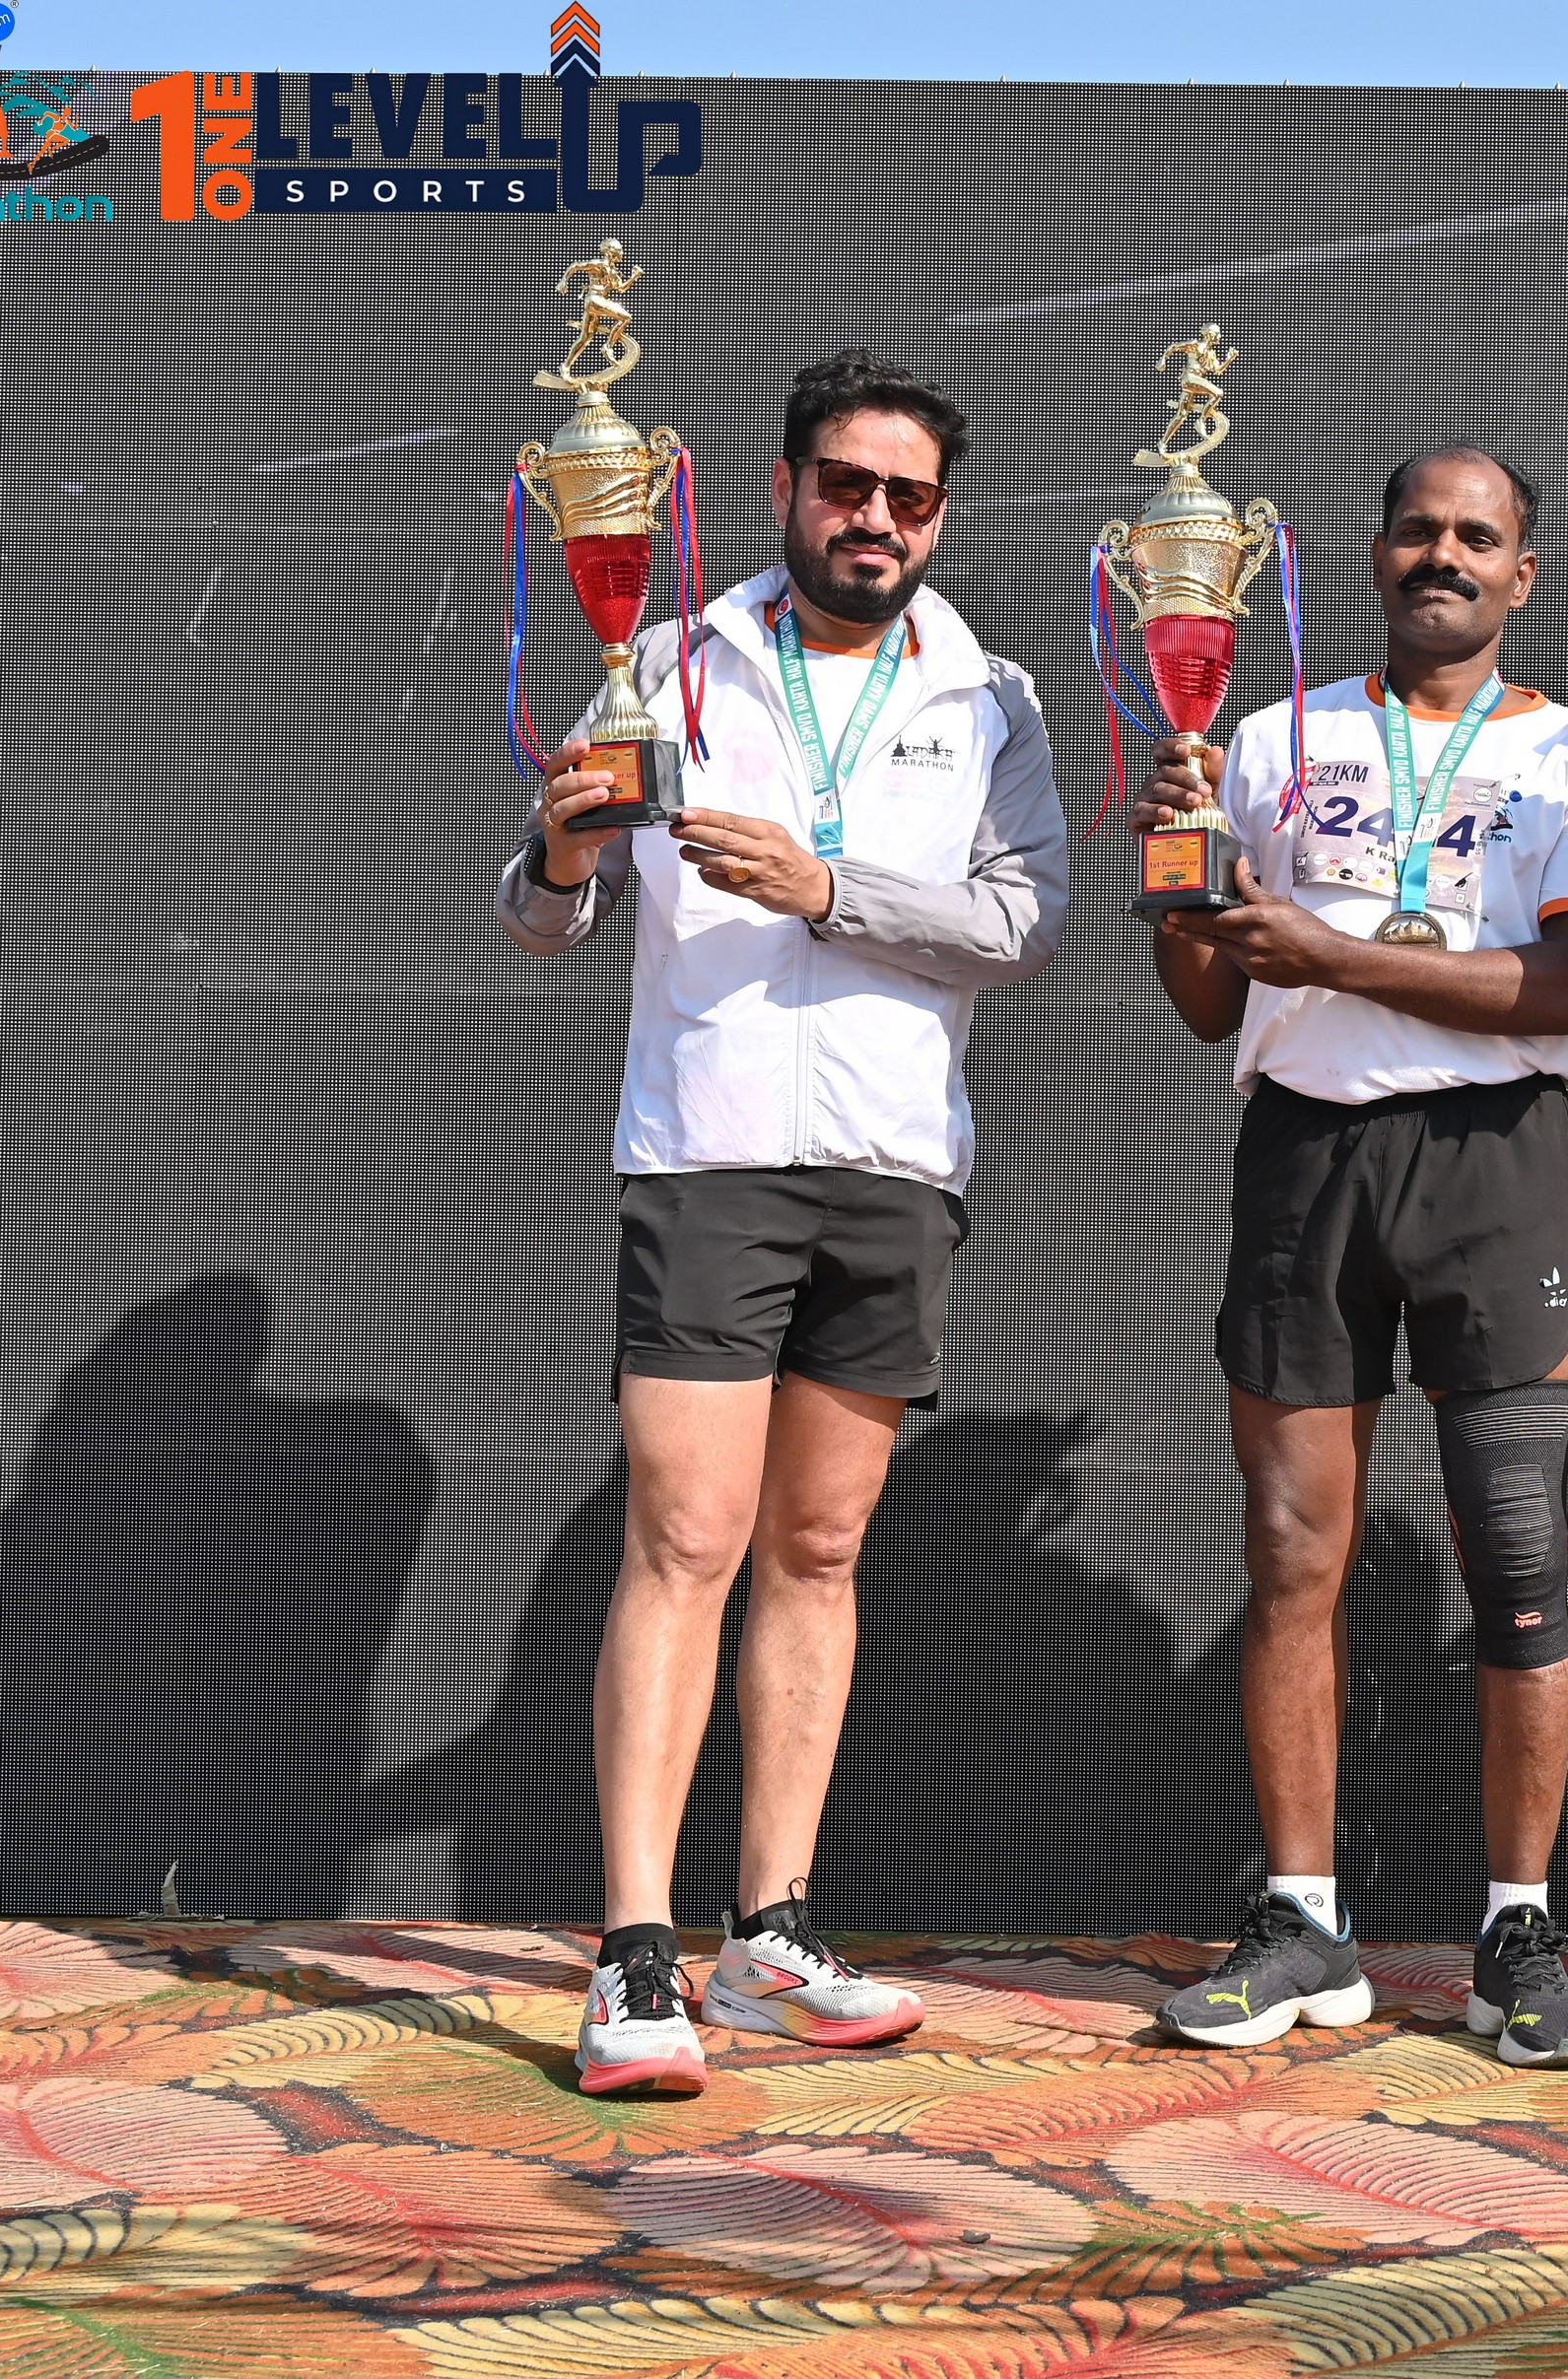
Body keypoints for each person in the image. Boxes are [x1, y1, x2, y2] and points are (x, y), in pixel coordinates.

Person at [499, 347, 1068, 2094]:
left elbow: (1024, 922)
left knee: (818, 1548)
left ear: (940, 518)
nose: (874, 518)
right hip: (711, 1156)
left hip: (896, 1169)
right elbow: (545, 919)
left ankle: (771, 1931)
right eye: (846, 484)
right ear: (785, 489)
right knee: (686, 1536)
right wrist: (563, 856)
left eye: (908, 496)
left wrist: (831, 889)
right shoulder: (666, 664)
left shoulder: (992, 694)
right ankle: (635, 1952)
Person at [1130, 443, 1568, 2068]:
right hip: (1308, 1154)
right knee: (1291, 1550)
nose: (1443, 556)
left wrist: (1335, 954)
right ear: (1375, 550)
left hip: (1496, 1162)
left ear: (1522, 573)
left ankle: (1515, 1935)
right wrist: (1179, 889)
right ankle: (1303, 1921)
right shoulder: (1272, 738)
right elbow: (1212, 1001)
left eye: (1479, 536)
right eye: (1418, 528)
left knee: (1518, 1562)